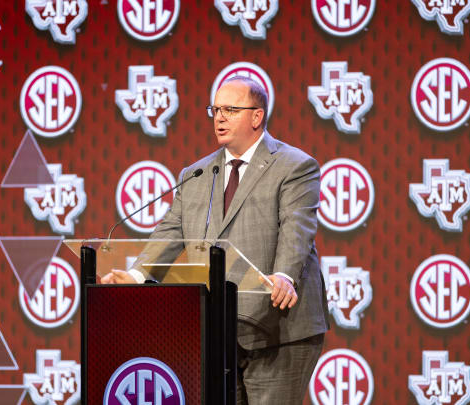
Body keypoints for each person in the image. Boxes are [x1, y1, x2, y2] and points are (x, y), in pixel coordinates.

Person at [103, 76, 329, 404]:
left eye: (231, 109)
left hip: (278, 327)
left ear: (257, 116)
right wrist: (137, 275)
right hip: (218, 328)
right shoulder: (196, 175)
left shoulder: (294, 166)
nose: (219, 117)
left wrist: (283, 276)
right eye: (216, 109)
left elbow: (296, 228)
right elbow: (169, 232)